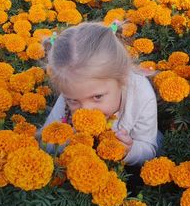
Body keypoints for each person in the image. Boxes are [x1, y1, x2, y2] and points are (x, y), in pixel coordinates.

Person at [37, 21, 162, 187]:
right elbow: (46, 141)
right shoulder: (71, 93)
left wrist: (129, 151)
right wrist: (68, 138)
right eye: (74, 101)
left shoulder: (141, 96)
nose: (85, 110)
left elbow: (148, 149)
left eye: (97, 97)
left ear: (121, 79)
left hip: (127, 163)